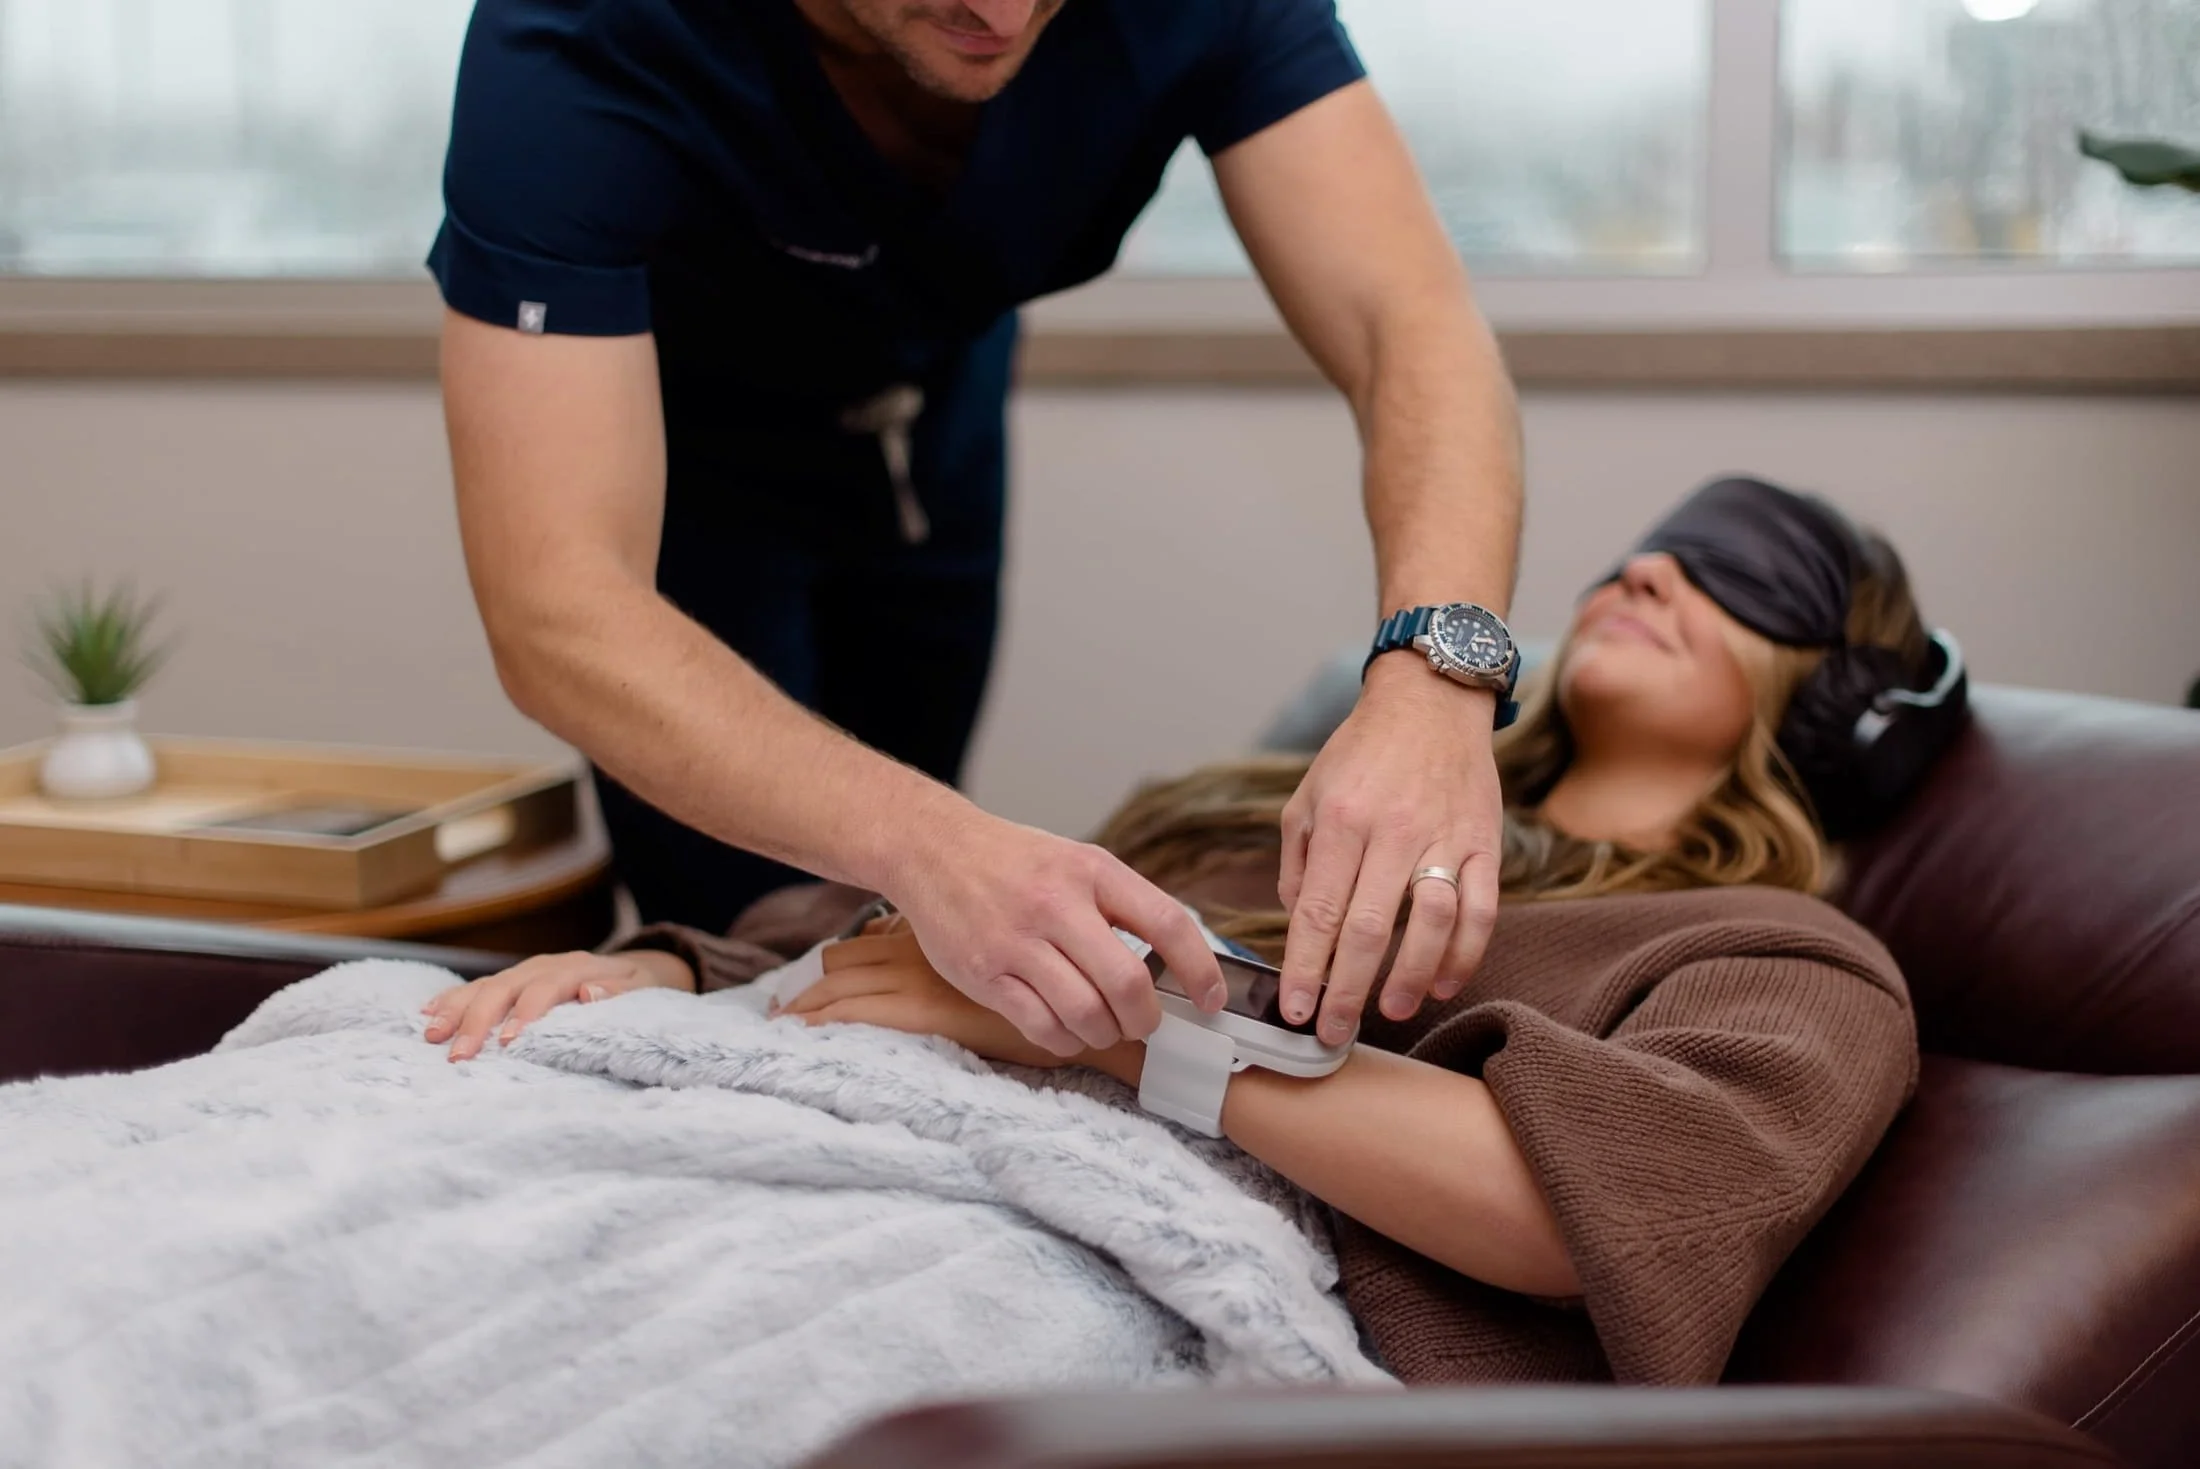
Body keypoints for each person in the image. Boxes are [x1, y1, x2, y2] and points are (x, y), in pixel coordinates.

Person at [425, 477, 1972, 1382]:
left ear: (1842, 703)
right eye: (1655, 547)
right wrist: (660, 970)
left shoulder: (1784, 961)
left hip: (1052, 1279)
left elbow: (1577, 1213)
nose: (1650, 566)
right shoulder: (1263, 807)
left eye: (1745, 577)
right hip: (777, 1104)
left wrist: (1101, 1019)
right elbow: (921, 923)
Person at [430, 0, 1527, 1064]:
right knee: (761, 914)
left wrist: (1435, 676)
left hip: (933, 425)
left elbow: (1409, 325)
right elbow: (556, 607)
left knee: (893, 917)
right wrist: (927, 844)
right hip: (689, 478)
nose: (1003, 13)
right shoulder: (582, 37)